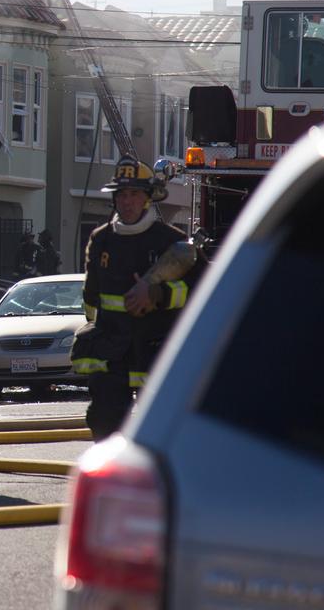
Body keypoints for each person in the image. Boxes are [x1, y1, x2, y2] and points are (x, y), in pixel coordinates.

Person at [74, 157, 205, 440]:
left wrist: (157, 294)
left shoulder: (172, 243)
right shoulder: (101, 241)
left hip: (156, 350)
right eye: (121, 194)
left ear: (148, 199)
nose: (127, 201)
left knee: (159, 433)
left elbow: (202, 292)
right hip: (112, 352)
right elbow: (91, 298)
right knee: (104, 425)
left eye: (134, 194)